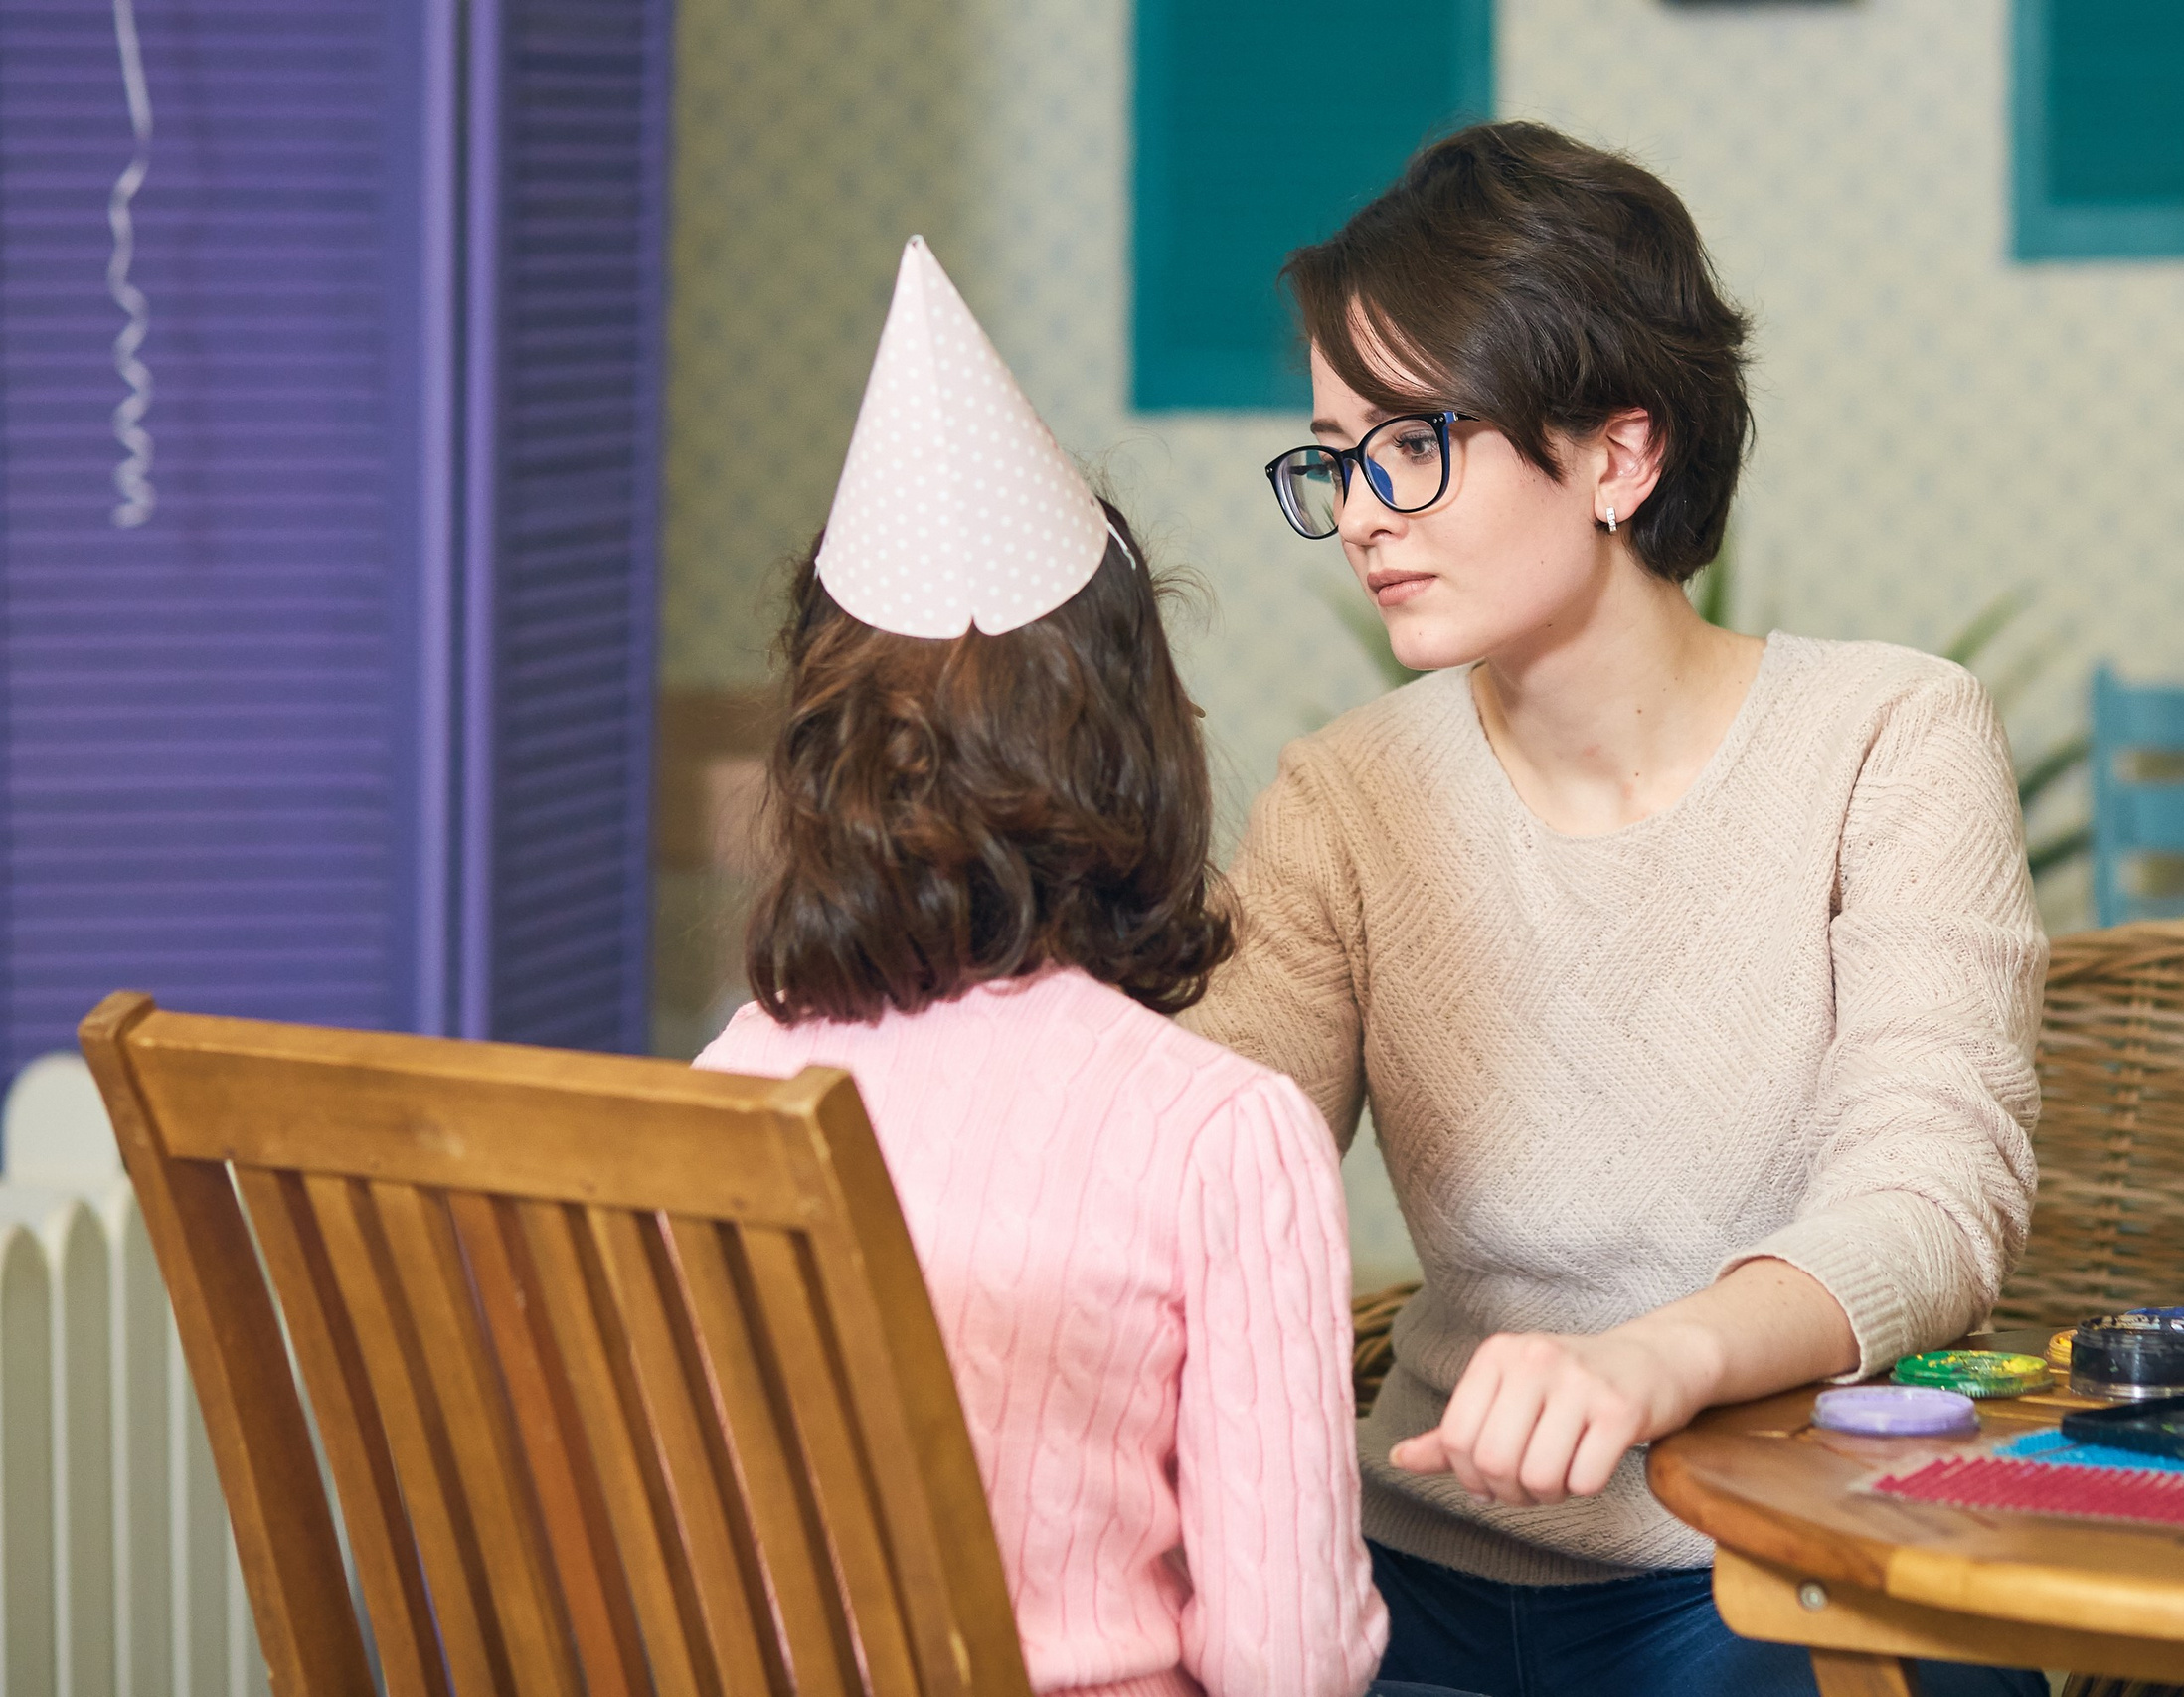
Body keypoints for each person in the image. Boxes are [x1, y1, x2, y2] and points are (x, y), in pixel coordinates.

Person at [1184, 124, 2051, 1697]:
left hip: (1769, 1569)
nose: (1364, 510)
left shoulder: (1890, 738)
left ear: (1618, 457)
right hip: (1406, 1582)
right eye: (1333, 455)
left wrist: (1648, 1364)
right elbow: (1202, 1177)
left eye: (1413, 443)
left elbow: (1936, 1203)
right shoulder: (1345, 796)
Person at [697, 239, 1454, 1697]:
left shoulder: (726, 1079)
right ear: (1139, 745)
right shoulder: (1223, 1139)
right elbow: (1285, 1664)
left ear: (824, 762)